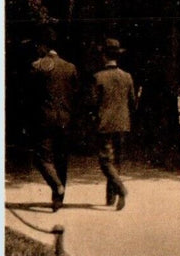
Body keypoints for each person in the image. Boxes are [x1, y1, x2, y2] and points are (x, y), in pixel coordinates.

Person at [29, 27, 79, 211]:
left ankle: (56, 185)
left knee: (40, 157)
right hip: (65, 118)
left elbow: (30, 96)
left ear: (43, 46)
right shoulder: (70, 67)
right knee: (61, 158)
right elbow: (74, 94)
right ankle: (58, 199)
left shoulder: (37, 66)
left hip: (44, 118)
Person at [91, 38, 138, 211]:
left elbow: (92, 103)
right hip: (123, 124)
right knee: (116, 161)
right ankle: (110, 198)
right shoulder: (127, 76)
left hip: (104, 125)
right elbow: (132, 102)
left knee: (105, 161)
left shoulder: (98, 77)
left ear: (103, 56)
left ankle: (121, 189)